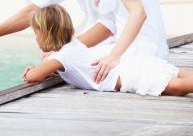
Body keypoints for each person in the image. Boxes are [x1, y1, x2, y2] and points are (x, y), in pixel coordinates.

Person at [23, 5, 193, 97]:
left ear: (45, 33)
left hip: (129, 76)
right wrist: (48, 66)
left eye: (36, 33)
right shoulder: (73, 47)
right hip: (132, 64)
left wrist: (34, 70)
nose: (36, 39)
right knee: (179, 75)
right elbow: (55, 62)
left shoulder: (61, 57)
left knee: (176, 87)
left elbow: (33, 77)